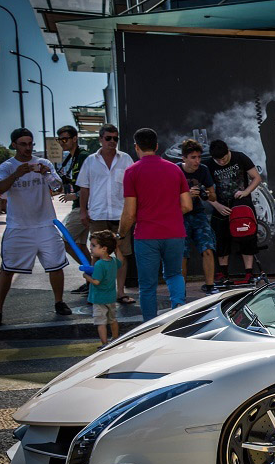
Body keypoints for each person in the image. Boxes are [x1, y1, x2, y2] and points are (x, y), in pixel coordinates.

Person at [0, 128, 71, 327]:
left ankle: (59, 302)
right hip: (19, 226)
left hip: (45, 223)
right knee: (7, 268)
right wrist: (16, 174)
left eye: (30, 144)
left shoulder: (44, 163)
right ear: (14, 145)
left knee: (56, 265)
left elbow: (58, 187)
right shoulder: (7, 167)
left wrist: (47, 174)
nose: (27, 148)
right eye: (23, 144)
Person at [119, 128, 192, 322]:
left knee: (147, 285)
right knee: (175, 275)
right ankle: (179, 313)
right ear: (157, 146)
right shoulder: (175, 169)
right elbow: (187, 205)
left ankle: (150, 326)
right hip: (175, 232)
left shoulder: (132, 171)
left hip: (146, 235)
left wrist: (120, 234)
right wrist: (170, 212)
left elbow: (129, 213)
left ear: (136, 147)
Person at [76, 124, 135, 305]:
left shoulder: (125, 159)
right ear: (100, 139)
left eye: (115, 138)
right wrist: (83, 211)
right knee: (96, 254)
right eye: (108, 138)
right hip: (98, 213)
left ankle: (120, 292)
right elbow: (84, 187)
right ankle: (96, 292)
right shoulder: (90, 161)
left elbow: (133, 186)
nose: (112, 142)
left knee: (122, 254)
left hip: (120, 214)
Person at [206, 139, 261, 285]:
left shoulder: (240, 157)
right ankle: (223, 273)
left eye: (224, 158)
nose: (222, 162)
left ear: (228, 151)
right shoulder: (209, 164)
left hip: (242, 206)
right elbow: (205, 191)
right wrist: (216, 205)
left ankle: (249, 273)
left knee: (247, 238)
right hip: (221, 207)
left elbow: (256, 177)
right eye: (218, 160)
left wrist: (246, 192)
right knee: (221, 240)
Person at [175, 139, 217, 292]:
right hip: (180, 213)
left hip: (198, 213)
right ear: (184, 158)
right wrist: (187, 195)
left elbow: (213, 196)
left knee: (207, 247)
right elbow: (167, 196)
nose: (197, 161)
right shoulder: (175, 170)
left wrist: (205, 194)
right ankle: (181, 290)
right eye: (193, 157)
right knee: (182, 253)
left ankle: (210, 285)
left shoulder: (203, 170)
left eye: (199, 157)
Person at [54, 125, 91, 290]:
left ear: (75, 138)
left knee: (66, 242)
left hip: (83, 207)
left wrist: (75, 196)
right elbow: (76, 182)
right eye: (59, 139)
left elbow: (90, 183)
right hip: (80, 206)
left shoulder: (83, 157)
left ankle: (94, 275)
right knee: (81, 245)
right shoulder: (72, 158)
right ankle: (92, 280)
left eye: (65, 139)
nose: (62, 142)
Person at [83, 230, 120, 346]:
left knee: (101, 322)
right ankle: (115, 339)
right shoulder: (114, 261)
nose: (91, 248)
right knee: (113, 319)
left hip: (99, 299)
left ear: (104, 248)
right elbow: (121, 262)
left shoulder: (99, 264)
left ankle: (104, 343)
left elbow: (96, 282)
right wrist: (117, 248)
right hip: (111, 297)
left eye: (94, 245)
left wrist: (86, 276)